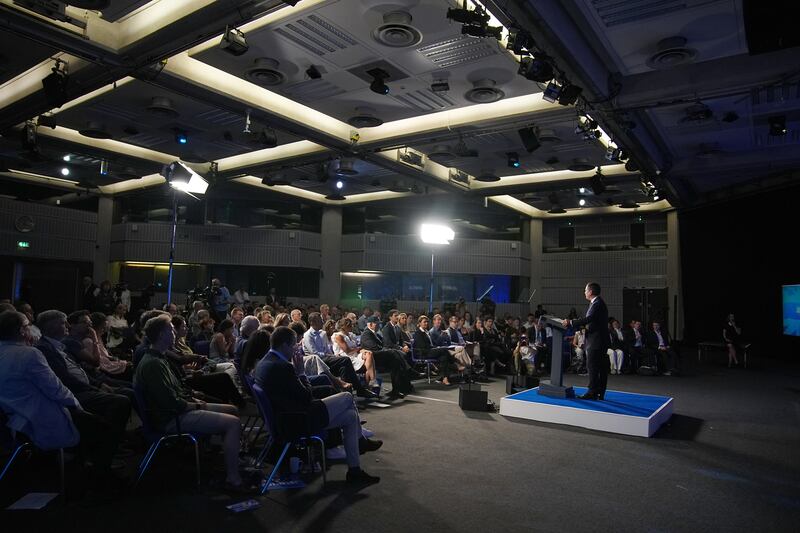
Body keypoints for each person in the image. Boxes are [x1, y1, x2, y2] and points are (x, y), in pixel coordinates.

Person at [254, 326, 382, 486]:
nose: (296, 348)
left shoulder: (265, 362)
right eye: (294, 345)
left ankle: (354, 471)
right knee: (347, 397)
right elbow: (307, 396)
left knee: (349, 417)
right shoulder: (282, 366)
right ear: (285, 345)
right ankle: (360, 441)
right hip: (296, 421)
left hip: (285, 417)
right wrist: (301, 372)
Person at [135, 315, 249, 492]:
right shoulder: (153, 364)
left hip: (176, 410)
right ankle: (233, 479)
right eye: (170, 330)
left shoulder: (159, 358)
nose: (174, 332)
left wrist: (193, 397)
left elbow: (175, 391)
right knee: (233, 423)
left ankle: (230, 457)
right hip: (171, 418)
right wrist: (197, 405)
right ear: (160, 335)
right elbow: (173, 403)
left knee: (232, 409)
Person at [562, 282, 610, 400]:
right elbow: (593, 322)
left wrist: (571, 322)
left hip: (596, 341)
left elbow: (589, 319)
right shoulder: (597, 303)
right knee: (599, 367)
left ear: (590, 292)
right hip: (598, 340)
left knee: (593, 366)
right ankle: (599, 392)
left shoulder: (597, 303)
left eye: (585, 290)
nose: (584, 292)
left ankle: (592, 392)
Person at [360, 315, 417, 399]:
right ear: (371, 324)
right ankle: (410, 372)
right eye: (377, 323)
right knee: (394, 352)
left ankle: (397, 390)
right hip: (372, 357)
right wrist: (384, 349)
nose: (379, 325)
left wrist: (384, 349)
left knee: (396, 363)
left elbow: (381, 345)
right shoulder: (366, 334)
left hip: (378, 356)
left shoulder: (375, 333)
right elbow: (373, 348)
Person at [332, 318, 378, 389]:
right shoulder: (339, 336)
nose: (352, 327)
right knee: (369, 363)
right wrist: (359, 349)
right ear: (344, 326)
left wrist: (362, 350)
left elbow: (356, 347)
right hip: (345, 356)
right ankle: (370, 383)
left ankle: (372, 381)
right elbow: (347, 350)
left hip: (354, 354)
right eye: (350, 325)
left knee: (369, 353)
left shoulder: (350, 335)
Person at [413, 315, 457, 386]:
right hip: (424, 353)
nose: (426, 323)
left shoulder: (426, 332)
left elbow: (430, 345)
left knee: (444, 357)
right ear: (419, 323)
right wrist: (435, 348)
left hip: (430, 350)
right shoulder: (418, 333)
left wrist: (435, 347)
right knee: (445, 349)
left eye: (427, 322)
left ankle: (445, 378)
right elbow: (422, 346)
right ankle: (453, 362)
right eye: (424, 322)